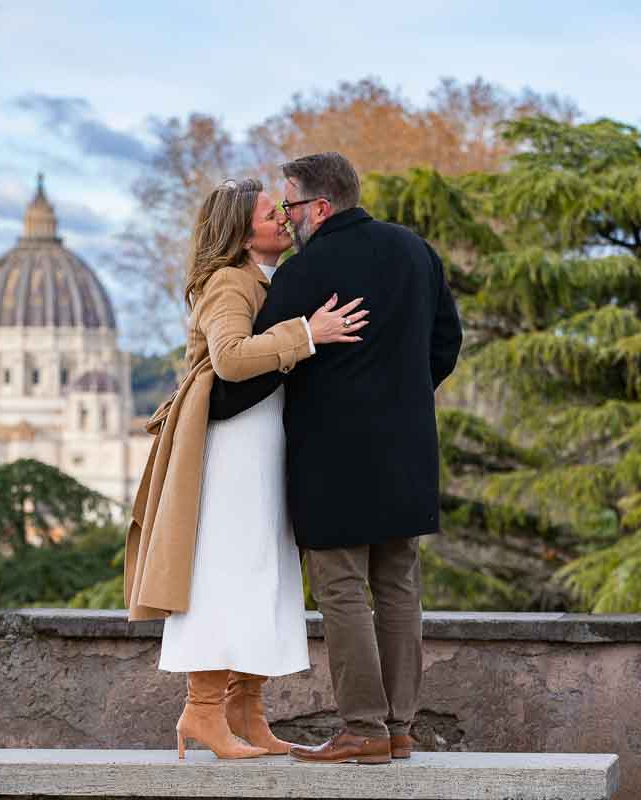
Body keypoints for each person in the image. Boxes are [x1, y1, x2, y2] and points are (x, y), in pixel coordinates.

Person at [209, 152, 462, 765]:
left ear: (320, 207)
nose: (288, 220)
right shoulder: (415, 252)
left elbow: (248, 373)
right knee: (399, 587)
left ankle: (362, 729)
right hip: (407, 451)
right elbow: (446, 342)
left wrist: (205, 406)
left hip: (332, 458)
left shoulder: (305, 271)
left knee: (343, 592)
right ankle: (399, 729)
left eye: (290, 206)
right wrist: (401, 395)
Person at [124, 177, 369, 760]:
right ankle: (202, 712)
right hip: (232, 448)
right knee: (227, 572)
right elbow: (231, 360)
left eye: (282, 210)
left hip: (262, 444)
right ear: (239, 229)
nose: (284, 218)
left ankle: (245, 710)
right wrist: (309, 333)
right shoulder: (228, 282)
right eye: (269, 213)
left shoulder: (264, 279)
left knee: (264, 571)